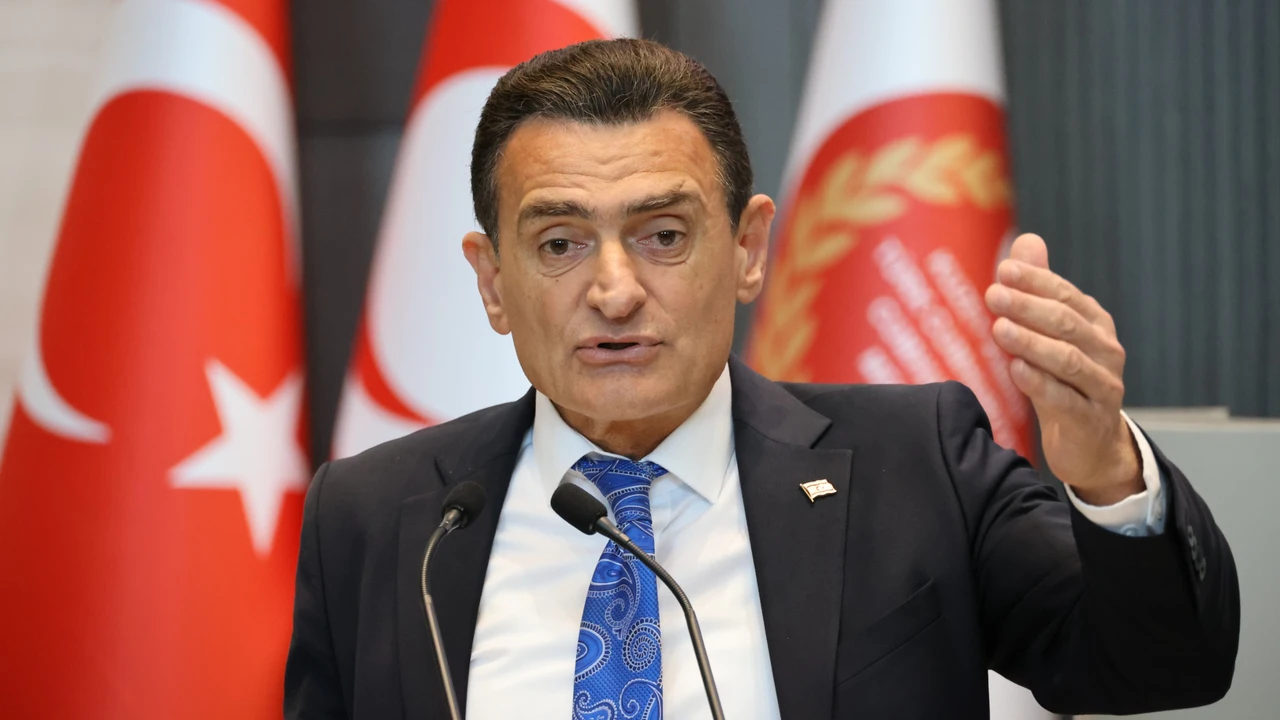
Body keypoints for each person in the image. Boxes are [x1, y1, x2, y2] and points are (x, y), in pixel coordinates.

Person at [284, 39, 1238, 719]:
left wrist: (1106, 473)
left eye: (663, 235)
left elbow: (1159, 668)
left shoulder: (919, 466)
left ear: (747, 250)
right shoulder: (378, 518)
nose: (614, 292)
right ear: (494, 282)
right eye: (560, 243)